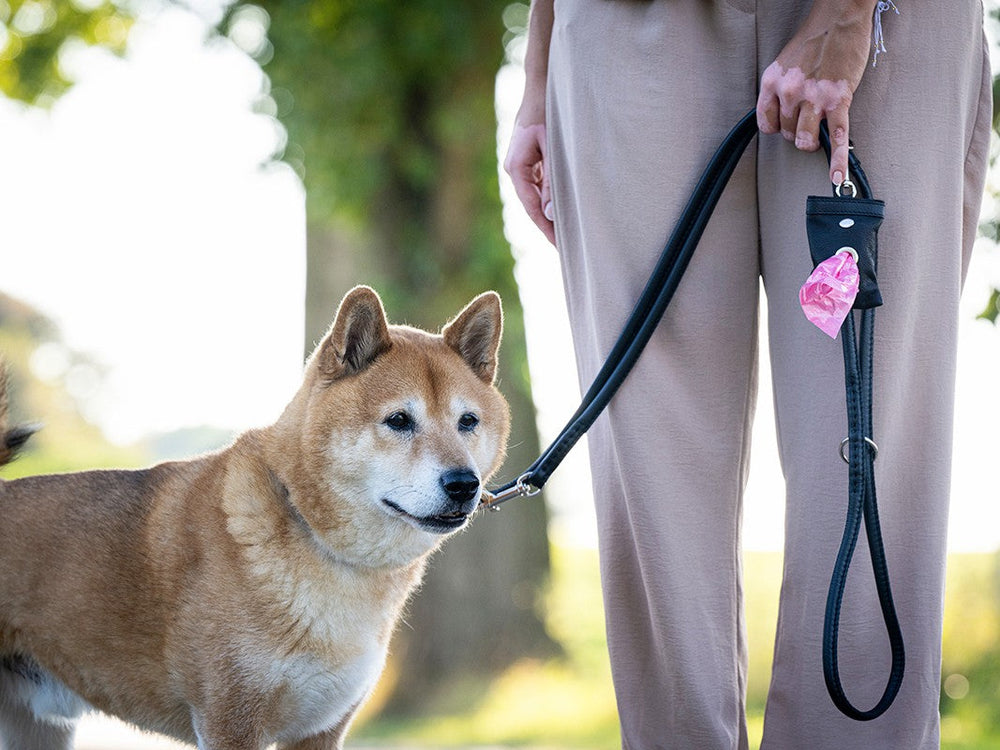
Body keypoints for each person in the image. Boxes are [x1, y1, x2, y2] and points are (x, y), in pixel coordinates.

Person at [504, 1, 991, 748]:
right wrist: (539, 68)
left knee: (870, 461)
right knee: (650, 456)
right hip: (627, 32)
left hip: (892, 23)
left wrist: (847, 14)